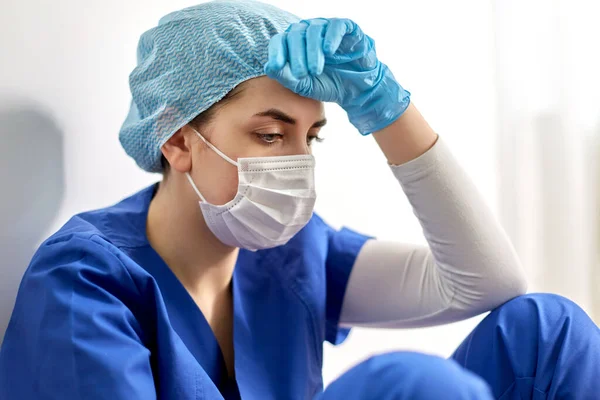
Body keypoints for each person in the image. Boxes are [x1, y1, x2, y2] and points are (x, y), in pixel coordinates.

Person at [1, 0, 599, 399]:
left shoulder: (287, 254)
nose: (295, 161)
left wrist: (386, 109)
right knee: (414, 384)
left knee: (549, 329)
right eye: (269, 133)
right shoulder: (84, 279)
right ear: (180, 140)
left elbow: (488, 282)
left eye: (309, 137)